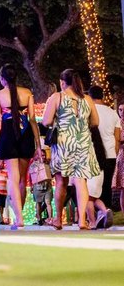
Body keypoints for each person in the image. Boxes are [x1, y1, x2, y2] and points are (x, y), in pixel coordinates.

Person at [42, 69, 100, 230]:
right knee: (81, 181)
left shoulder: (57, 97)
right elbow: (95, 122)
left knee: (61, 181)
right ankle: (82, 220)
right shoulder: (87, 99)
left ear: (62, 82)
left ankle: (58, 219)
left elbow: (46, 121)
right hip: (83, 142)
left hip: (63, 142)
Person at [0, 64, 40, 229]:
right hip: (26, 134)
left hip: (8, 135)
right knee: (22, 180)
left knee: (13, 177)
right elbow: (32, 120)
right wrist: (38, 144)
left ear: (2, 78)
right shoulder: (27, 93)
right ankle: (20, 215)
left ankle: (19, 218)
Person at [87, 85, 119, 224]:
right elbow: (117, 137)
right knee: (106, 186)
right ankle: (105, 211)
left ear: (89, 96)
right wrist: (114, 153)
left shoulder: (89, 110)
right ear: (103, 96)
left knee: (90, 188)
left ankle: (95, 216)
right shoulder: (113, 113)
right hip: (110, 154)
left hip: (93, 154)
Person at [113, 99, 124, 218]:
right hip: (121, 156)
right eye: (120, 109)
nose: (122, 112)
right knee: (122, 188)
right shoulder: (117, 123)